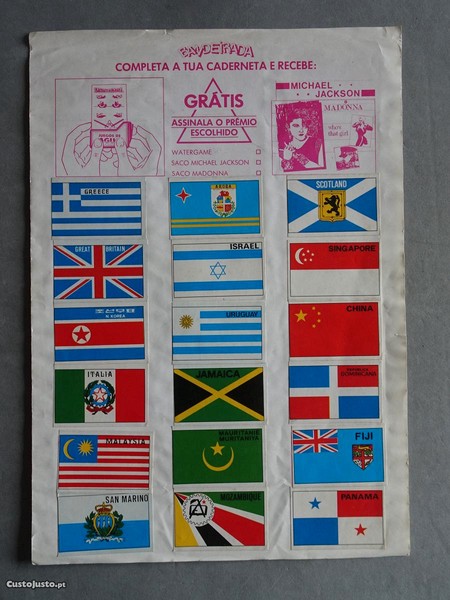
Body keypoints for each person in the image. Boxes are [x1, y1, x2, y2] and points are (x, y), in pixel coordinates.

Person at [277, 104, 324, 171]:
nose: (301, 130)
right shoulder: (282, 147)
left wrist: (301, 159)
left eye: (304, 126)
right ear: (288, 127)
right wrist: (286, 159)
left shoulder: (318, 143)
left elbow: (323, 171)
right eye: (296, 126)